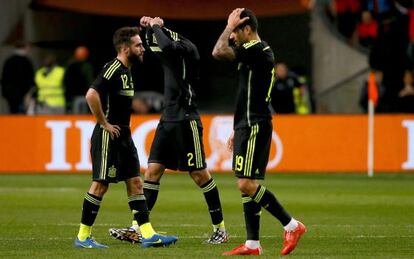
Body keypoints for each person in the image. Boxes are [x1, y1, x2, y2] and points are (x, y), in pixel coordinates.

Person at [109, 16, 228, 245]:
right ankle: (138, 228)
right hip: (167, 120)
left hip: (187, 120)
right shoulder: (173, 51)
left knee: (199, 174)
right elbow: (151, 46)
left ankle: (220, 229)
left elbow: (165, 44)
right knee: (152, 172)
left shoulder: (187, 50)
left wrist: (155, 25)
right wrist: (146, 29)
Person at [212, 8, 306, 256]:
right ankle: (252, 244)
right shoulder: (253, 53)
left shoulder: (257, 50)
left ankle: (292, 225)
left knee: (245, 183)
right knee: (246, 183)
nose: (232, 36)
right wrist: (236, 127)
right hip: (246, 124)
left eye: (235, 31)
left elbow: (218, 51)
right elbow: (246, 93)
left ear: (246, 29)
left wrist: (226, 25)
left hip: (256, 124)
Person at [74, 26, 177, 249]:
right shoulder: (113, 68)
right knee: (100, 185)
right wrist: (103, 123)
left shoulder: (127, 71)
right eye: (138, 45)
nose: (142, 49)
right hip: (109, 136)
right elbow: (91, 94)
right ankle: (83, 237)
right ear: (124, 48)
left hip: (124, 136)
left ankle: (148, 235)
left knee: (136, 183)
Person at [1, 41, 34, 114]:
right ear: (25, 48)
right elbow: (30, 78)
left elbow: (4, 78)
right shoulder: (26, 61)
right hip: (22, 93)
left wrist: (5, 93)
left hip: (11, 94)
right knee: (22, 114)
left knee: (14, 113)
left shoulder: (9, 61)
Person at [64, 46, 94, 113]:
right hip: (83, 95)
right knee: (83, 116)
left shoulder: (70, 66)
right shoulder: (86, 66)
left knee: (76, 115)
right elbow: (90, 81)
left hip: (75, 96)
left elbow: (67, 81)